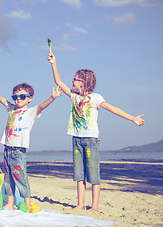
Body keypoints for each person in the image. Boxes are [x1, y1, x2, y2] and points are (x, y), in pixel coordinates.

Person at [47, 52, 145, 212]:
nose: (72, 80)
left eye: (75, 78)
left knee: (93, 174)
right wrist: (53, 63)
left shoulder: (96, 98)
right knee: (79, 175)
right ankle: (80, 204)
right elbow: (58, 81)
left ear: (83, 83)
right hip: (76, 139)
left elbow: (113, 109)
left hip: (91, 140)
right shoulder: (74, 96)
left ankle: (94, 206)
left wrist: (132, 118)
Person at [0, 83, 62, 212]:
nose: (18, 99)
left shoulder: (30, 112)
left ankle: (27, 204)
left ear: (30, 98)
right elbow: (3, 100)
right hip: (7, 149)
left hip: (19, 150)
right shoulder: (12, 109)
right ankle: (10, 203)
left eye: (22, 96)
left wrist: (53, 97)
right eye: (15, 96)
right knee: (8, 178)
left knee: (21, 178)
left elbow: (42, 107)